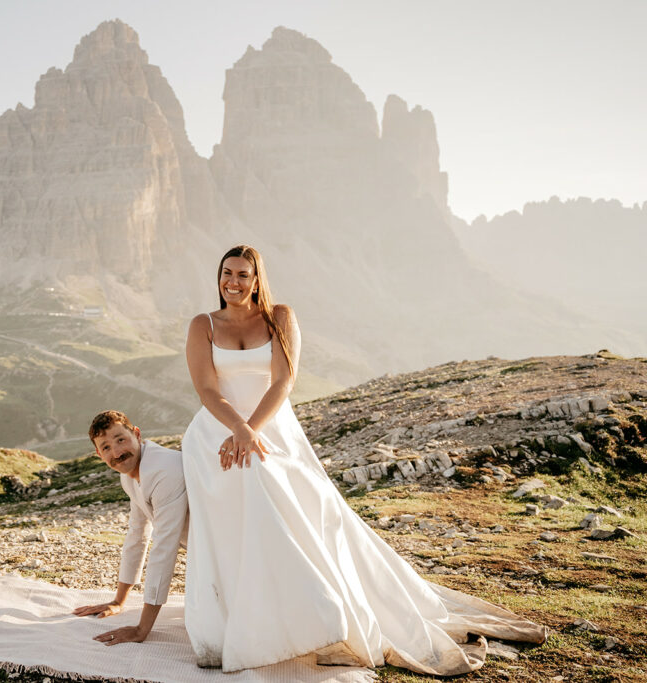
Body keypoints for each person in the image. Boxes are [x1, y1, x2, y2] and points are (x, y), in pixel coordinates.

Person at [180, 245, 547, 675]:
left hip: (270, 427)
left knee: (283, 497)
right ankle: (239, 615)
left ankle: (309, 614)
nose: (233, 282)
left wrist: (252, 430)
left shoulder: (280, 316)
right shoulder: (202, 325)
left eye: (243, 275)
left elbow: (283, 382)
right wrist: (237, 430)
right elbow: (207, 389)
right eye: (227, 273)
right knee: (234, 521)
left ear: (257, 280)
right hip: (216, 434)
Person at [73, 410, 189, 646]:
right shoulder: (128, 475)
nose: (116, 452)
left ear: (136, 434)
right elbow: (137, 535)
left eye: (120, 439)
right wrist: (118, 601)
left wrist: (141, 629)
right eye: (105, 447)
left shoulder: (164, 470)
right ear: (99, 454)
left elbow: (164, 550)